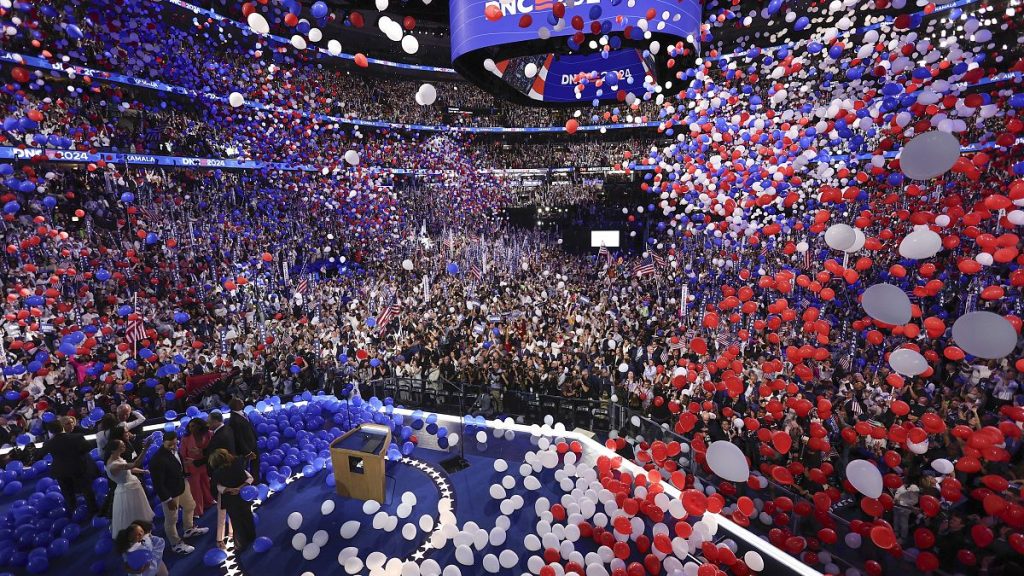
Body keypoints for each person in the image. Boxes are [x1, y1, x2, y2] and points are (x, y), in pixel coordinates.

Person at [148, 431, 208, 554]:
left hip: (182, 484)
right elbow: (158, 484)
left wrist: (185, 476)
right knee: (171, 519)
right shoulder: (157, 460)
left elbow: (178, 465)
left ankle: (189, 529)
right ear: (163, 442)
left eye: (175, 443)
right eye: (171, 444)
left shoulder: (176, 451)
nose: (174, 446)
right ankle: (175, 544)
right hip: (170, 493)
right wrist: (167, 499)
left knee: (190, 505)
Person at [35, 419, 99, 516]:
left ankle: (72, 511)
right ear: (62, 427)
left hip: (61, 471)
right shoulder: (77, 437)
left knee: (68, 493)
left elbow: (39, 455)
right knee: (86, 490)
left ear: (51, 431)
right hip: (79, 467)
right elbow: (88, 448)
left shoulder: (49, 443)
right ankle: (93, 510)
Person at [208, 448, 256, 553]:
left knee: (236, 522)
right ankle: (252, 536)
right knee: (247, 516)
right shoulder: (238, 462)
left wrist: (228, 490)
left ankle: (240, 545)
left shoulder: (217, 473)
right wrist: (240, 488)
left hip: (230, 501)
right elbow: (247, 477)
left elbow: (215, 487)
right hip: (244, 496)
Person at [105, 438, 155, 536]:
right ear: (113, 450)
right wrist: (145, 449)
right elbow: (134, 464)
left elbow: (129, 469)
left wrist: (143, 471)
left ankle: (141, 529)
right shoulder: (114, 465)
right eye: (122, 445)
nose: (124, 446)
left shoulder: (117, 458)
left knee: (138, 510)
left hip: (133, 487)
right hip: (127, 491)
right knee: (131, 513)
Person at [179, 418, 215, 519]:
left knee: (206, 483)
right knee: (196, 490)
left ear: (200, 426)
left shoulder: (209, 434)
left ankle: (209, 501)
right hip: (192, 466)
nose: (191, 428)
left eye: (193, 426)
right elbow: (183, 454)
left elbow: (212, 448)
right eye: (189, 426)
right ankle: (197, 511)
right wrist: (186, 470)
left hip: (205, 464)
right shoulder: (185, 438)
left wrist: (202, 452)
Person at [226, 398, 258, 478]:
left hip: (252, 444)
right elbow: (238, 438)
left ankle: (256, 481)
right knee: (247, 468)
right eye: (240, 401)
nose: (242, 401)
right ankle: (251, 483)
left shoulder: (242, 413)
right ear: (235, 405)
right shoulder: (234, 420)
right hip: (246, 449)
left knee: (256, 465)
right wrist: (247, 452)